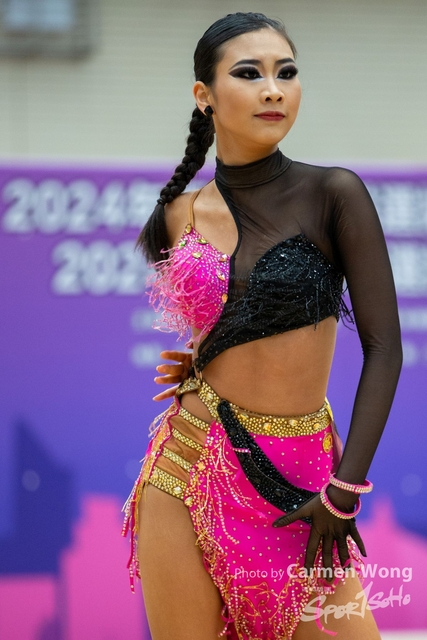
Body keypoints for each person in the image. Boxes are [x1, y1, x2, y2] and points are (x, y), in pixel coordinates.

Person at [122, 12, 402, 640]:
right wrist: (204, 360)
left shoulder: (334, 194)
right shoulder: (177, 214)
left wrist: (343, 491)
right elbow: (223, 315)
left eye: (287, 73)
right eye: (249, 74)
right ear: (205, 95)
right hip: (191, 467)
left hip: (307, 488)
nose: (273, 89)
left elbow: (385, 349)